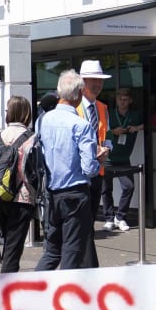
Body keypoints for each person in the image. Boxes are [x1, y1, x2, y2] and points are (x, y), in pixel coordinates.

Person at [34, 70, 104, 272]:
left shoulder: (43, 121)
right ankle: (65, 297)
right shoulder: (81, 126)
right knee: (72, 254)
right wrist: (100, 160)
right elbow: (89, 168)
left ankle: (31, 291)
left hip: (51, 193)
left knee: (51, 251)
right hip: (75, 193)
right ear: (80, 93)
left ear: (59, 92)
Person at [0, 95, 36, 273]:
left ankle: (6, 278)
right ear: (26, 113)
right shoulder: (31, 137)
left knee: (8, 241)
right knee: (14, 248)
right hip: (21, 197)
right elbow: (30, 170)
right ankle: (6, 286)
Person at [76, 60, 112, 234]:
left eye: (100, 81)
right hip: (79, 171)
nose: (98, 84)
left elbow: (108, 134)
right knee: (79, 219)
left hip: (97, 169)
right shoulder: (73, 107)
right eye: (94, 80)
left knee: (90, 216)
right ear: (83, 82)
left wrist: (107, 149)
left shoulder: (102, 107)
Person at [105, 86, 143, 231]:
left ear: (130, 101)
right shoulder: (109, 114)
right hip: (108, 157)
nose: (122, 102)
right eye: (120, 99)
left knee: (129, 186)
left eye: (125, 99)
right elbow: (100, 131)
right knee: (106, 189)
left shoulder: (135, 115)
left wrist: (137, 128)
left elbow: (151, 122)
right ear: (116, 99)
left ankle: (120, 217)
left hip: (124, 158)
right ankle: (109, 218)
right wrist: (113, 132)